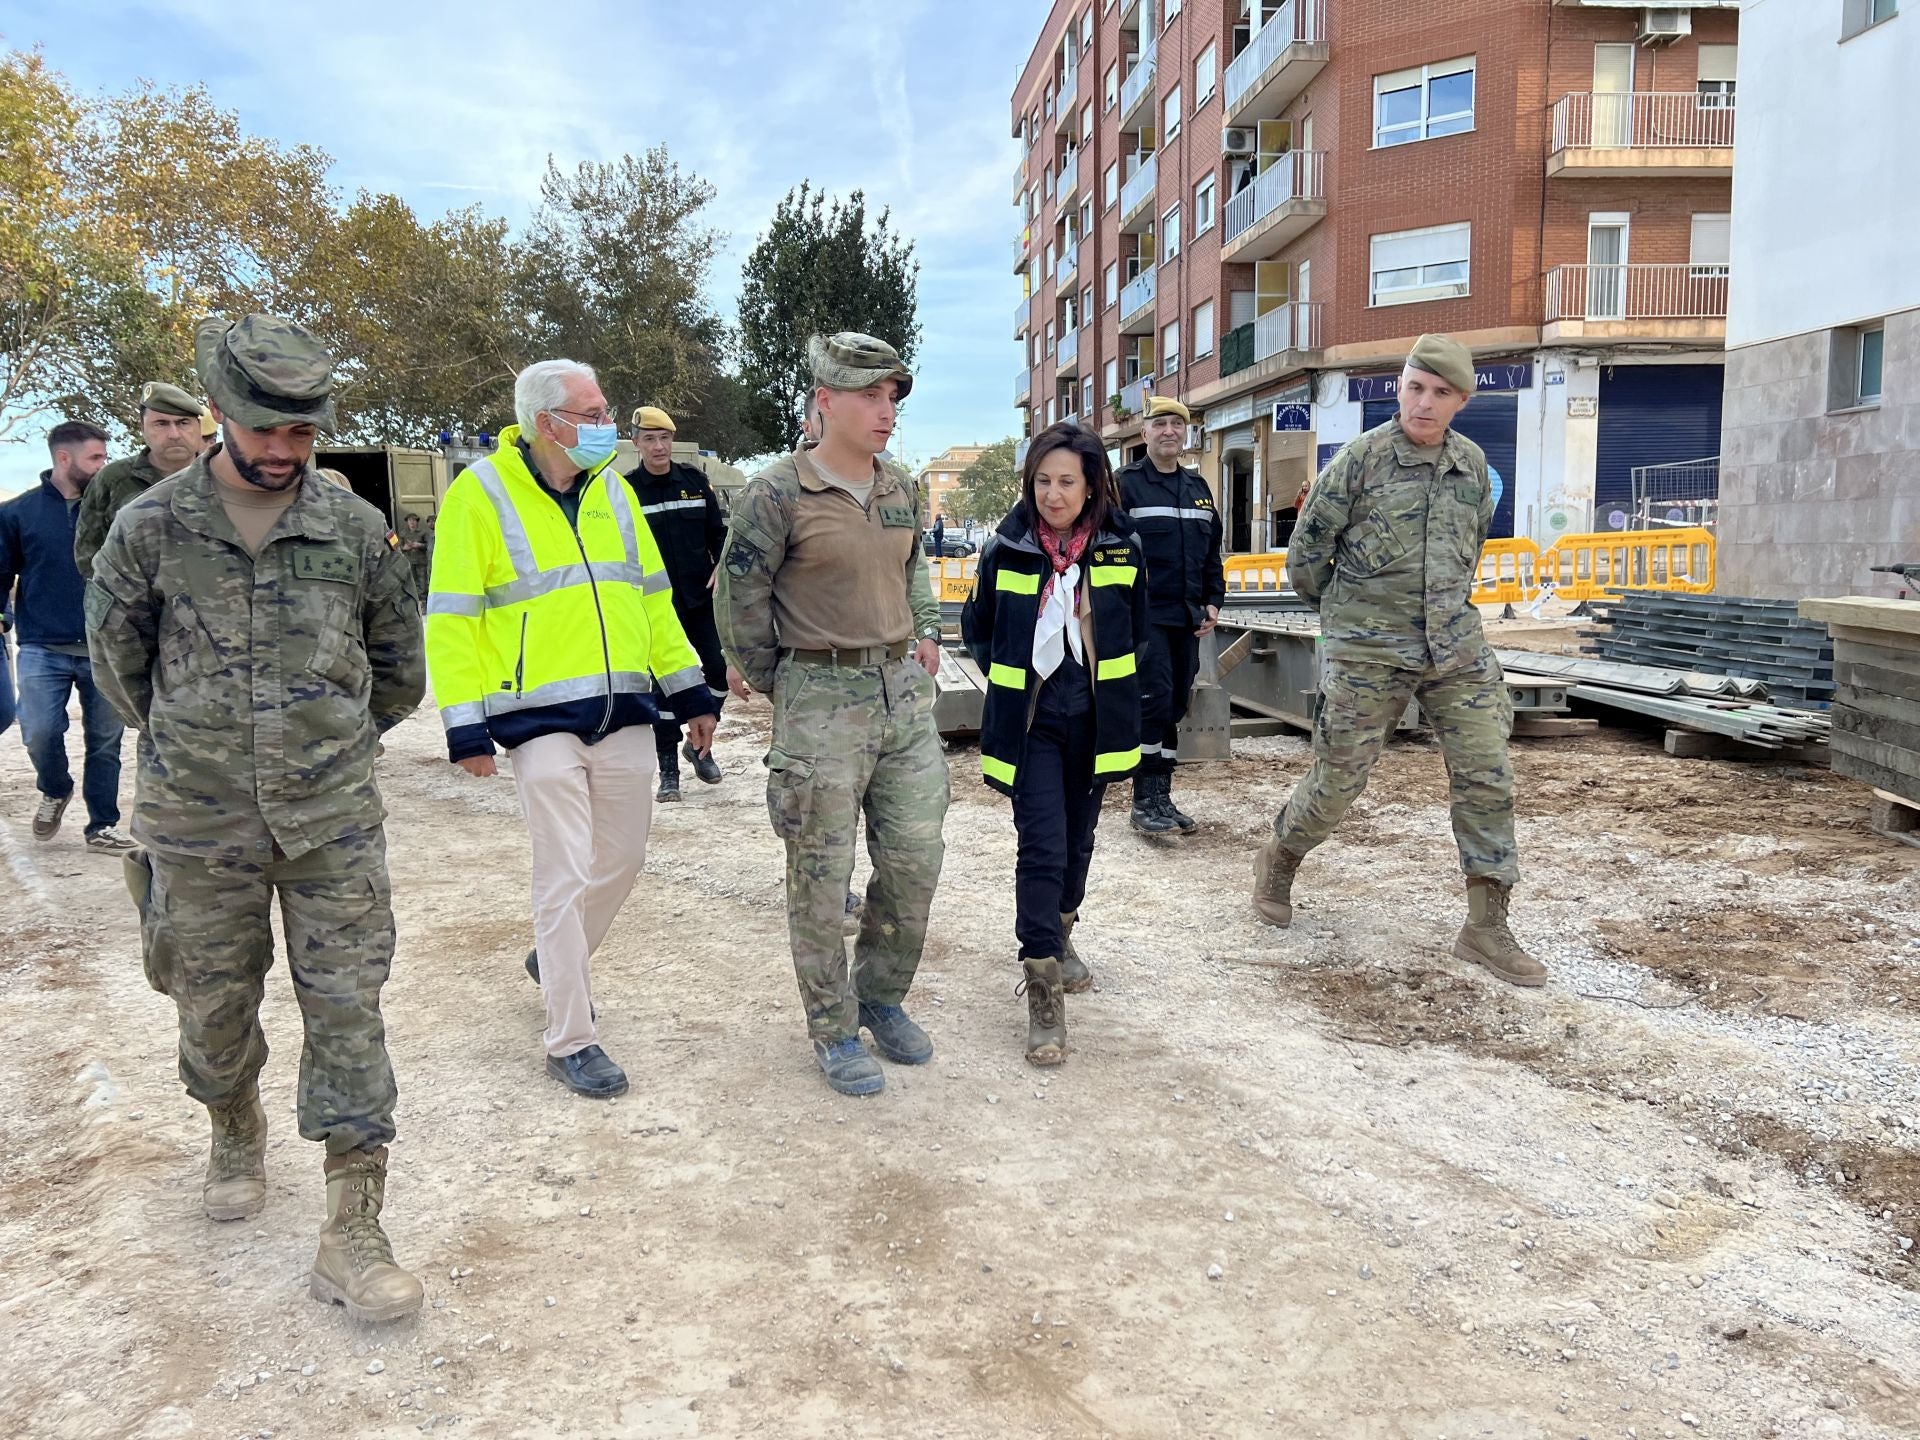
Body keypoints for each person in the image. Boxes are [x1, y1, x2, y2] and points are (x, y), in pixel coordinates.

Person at [87, 313, 428, 1321]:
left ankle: (353, 1225)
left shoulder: (354, 526)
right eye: (264, 429)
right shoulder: (148, 527)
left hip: (332, 823)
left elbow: (399, 669)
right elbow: (120, 670)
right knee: (213, 1005)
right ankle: (232, 1125)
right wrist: (207, 751)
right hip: (199, 825)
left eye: (302, 433)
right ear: (219, 415)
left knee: (349, 1014)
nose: (283, 451)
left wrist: (323, 745)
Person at [427, 360, 718, 1099]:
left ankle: (554, 960)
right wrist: (464, 725)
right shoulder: (480, 495)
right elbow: (452, 616)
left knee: (622, 858)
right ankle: (571, 1037)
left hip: (621, 707)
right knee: (563, 869)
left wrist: (689, 691)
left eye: (604, 409)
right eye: (590, 411)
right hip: (535, 718)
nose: (606, 423)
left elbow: (653, 601)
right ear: (545, 422)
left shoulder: (613, 491)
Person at [1253, 334, 1542, 988]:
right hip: (1366, 647)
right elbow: (1305, 562)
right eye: (1415, 386)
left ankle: (1487, 926)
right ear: (1400, 385)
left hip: (1453, 644)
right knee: (1339, 781)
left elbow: (1466, 553)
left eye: (1440, 393)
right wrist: (1354, 617)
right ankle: (1280, 856)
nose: (1424, 402)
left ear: (1461, 401)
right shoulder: (1358, 463)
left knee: (1487, 770)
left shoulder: (1472, 469)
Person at [718, 332, 946, 1097]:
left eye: (893, 399)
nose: (886, 412)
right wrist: (785, 684)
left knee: (915, 861)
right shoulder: (776, 493)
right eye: (871, 396)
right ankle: (832, 1026)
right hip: (819, 698)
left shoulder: (900, 487)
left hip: (900, 698)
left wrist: (927, 630)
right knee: (820, 876)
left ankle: (880, 995)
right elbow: (738, 600)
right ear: (825, 400)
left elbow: (915, 568)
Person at [962, 422, 1146, 1065]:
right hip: (1032, 724)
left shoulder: (1122, 546)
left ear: (1092, 483)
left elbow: (1138, 630)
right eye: (1043, 480)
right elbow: (978, 630)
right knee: (1040, 846)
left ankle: (1062, 933)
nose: (1053, 494)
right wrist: (1017, 683)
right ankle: (1042, 984)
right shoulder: (1006, 547)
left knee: (1078, 842)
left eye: (1067, 481)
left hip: (1095, 724)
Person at [0, 421, 135, 850]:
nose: (103, 465)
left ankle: (102, 825)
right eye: (95, 457)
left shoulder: (118, 512)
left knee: (106, 742)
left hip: (105, 645)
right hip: (42, 644)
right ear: (64, 458)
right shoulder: (17, 513)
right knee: (38, 730)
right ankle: (55, 788)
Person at [1117, 395, 1224, 837]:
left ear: (1186, 434)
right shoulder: (1125, 485)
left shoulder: (1198, 488)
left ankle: (1162, 794)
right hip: (1145, 619)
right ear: (1144, 434)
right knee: (1154, 700)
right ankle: (1143, 799)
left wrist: (1214, 601)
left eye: (1176, 425)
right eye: (1159, 424)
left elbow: (1210, 555)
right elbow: (1107, 551)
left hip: (1188, 618)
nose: (1168, 432)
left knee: (1176, 703)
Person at [625, 405, 728, 802]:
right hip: (655, 607)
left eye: (664, 438)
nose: (658, 446)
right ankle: (670, 771)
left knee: (718, 672)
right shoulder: (626, 490)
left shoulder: (695, 481)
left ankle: (699, 744)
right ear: (636, 443)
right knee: (664, 690)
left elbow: (718, 534)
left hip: (699, 598)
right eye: (649, 439)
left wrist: (720, 563)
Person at [72, 382, 208, 579]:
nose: (174, 434)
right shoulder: (113, 480)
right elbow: (88, 555)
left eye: (183, 423)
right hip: (136, 605)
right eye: (161, 424)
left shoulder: (222, 476)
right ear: (142, 427)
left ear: (199, 427)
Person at [399, 512, 432, 604]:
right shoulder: (403, 533)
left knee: (423, 583)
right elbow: (397, 547)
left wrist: (419, 545)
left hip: (421, 561)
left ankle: (424, 602)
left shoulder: (423, 533)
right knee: (410, 582)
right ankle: (413, 602)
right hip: (409, 561)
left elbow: (429, 546)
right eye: (410, 520)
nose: (412, 523)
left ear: (417, 522)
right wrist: (404, 548)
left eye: (414, 520)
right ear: (407, 522)